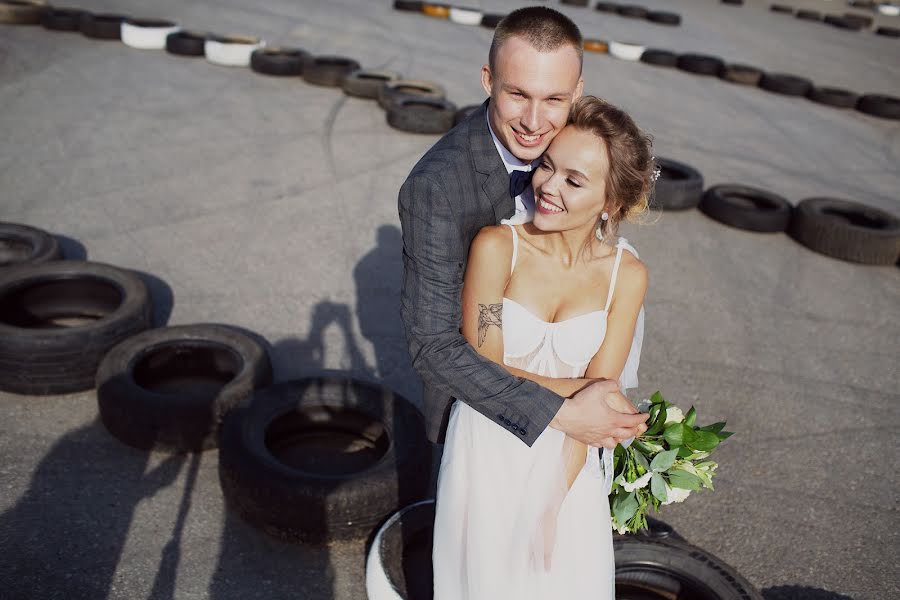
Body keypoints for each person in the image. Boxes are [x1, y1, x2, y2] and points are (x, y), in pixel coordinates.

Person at [399, 6, 647, 459]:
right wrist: (568, 409)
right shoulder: (436, 188)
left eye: (554, 99)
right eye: (517, 94)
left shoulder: (576, 139)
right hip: (478, 410)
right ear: (489, 80)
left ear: (577, 92)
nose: (535, 123)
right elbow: (434, 346)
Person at [432, 94, 654, 598]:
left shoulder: (627, 276)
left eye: (574, 181)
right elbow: (483, 366)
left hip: (565, 462)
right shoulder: (497, 246)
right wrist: (583, 393)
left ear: (612, 202)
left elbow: (598, 404)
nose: (547, 187)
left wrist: (553, 503)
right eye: (548, 166)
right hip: (486, 445)